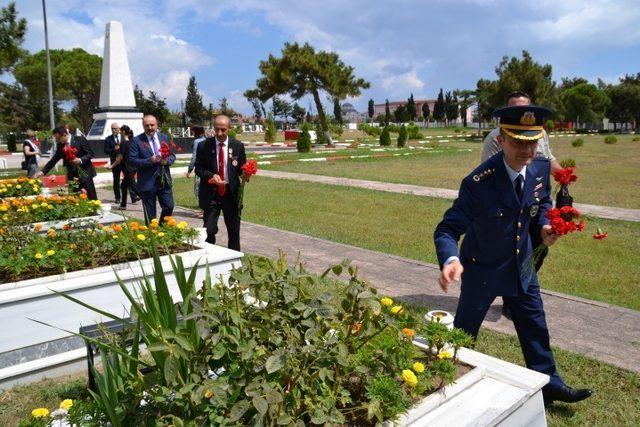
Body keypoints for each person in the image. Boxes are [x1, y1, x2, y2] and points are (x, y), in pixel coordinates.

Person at [434, 105, 592, 406]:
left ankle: (549, 384)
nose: (526, 149)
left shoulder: (539, 168)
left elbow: (542, 201)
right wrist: (451, 260)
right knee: (463, 336)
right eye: (518, 141)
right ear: (501, 140)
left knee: (535, 325)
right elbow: (447, 229)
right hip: (482, 271)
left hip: (522, 267)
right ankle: (444, 382)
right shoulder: (478, 183)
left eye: (532, 141)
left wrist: (546, 224)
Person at [483, 92, 561, 320]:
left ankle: (518, 294)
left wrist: (564, 176)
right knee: (513, 253)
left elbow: (547, 159)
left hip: (537, 199)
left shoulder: (540, 133)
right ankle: (511, 297)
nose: (526, 146)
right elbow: (489, 174)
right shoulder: (494, 139)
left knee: (538, 250)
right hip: (510, 206)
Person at [195, 115, 247, 251]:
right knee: (209, 230)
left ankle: (234, 263)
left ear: (229, 129)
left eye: (223, 130)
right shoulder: (203, 145)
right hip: (211, 194)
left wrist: (246, 174)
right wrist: (212, 176)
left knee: (234, 231)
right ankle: (209, 258)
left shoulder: (238, 146)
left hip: (231, 195)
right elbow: (199, 169)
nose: (219, 133)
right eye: (217, 129)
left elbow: (241, 168)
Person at [129, 115, 175, 223]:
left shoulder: (164, 137)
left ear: (156, 125)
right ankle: (153, 236)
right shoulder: (137, 141)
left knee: (169, 206)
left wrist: (166, 161)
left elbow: (172, 156)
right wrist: (150, 160)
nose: (150, 127)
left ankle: (161, 228)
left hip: (164, 181)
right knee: (150, 215)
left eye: (152, 125)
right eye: (147, 125)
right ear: (143, 126)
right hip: (147, 182)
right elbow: (132, 161)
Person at [36, 125, 98, 200]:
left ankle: (94, 211)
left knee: (91, 196)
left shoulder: (80, 140)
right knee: (75, 198)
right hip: (72, 176)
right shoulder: (61, 145)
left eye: (58, 138)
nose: (57, 140)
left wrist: (80, 160)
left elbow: (91, 154)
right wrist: (43, 171)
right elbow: (54, 159)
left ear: (65, 135)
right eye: (56, 139)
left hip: (85, 173)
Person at [110, 124, 139, 209]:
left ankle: (147, 199)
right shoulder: (131, 141)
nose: (119, 131)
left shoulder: (124, 142)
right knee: (123, 185)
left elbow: (120, 157)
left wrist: (111, 166)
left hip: (127, 168)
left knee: (134, 186)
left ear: (123, 131)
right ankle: (123, 205)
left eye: (120, 130)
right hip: (132, 167)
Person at [186, 124, 206, 218]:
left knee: (199, 189)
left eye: (193, 132)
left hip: (200, 169)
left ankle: (204, 211)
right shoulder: (207, 140)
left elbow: (194, 157)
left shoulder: (197, 142)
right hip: (209, 169)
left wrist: (190, 170)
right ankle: (203, 210)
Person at [104, 122, 123, 204]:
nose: (114, 130)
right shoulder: (108, 139)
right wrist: (114, 149)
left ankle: (133, 196)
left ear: (119, 129)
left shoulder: (124, 137)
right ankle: (117, 197)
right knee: (116, 180)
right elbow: (106, 150)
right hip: (114, 162)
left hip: (124, 161)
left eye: (115, 128)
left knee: (129, 178)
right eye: (112, 129)